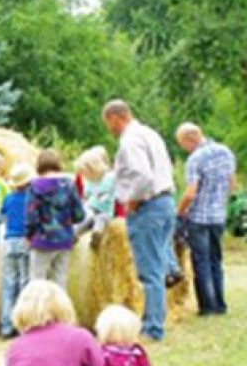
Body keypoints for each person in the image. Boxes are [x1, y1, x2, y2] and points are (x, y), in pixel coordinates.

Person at [103, 100, 176, 341]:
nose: (109, 129)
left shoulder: (130, 139)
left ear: (116, 117)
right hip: (165, 202)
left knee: (150, 271)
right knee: (159, 263)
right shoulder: (150, 134)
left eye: (108, 123)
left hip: (148, 206)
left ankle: (153, 327)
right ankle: (155, 319)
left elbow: (143, 175)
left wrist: (132, 201)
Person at [175, 122, 236, 316]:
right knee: (216, 261)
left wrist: (179, 211)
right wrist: (220, 203)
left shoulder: (195, 159)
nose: (183, 148)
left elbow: (191, 193)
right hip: (218, 216)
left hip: (199, 218)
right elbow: (231, 183)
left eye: (182, 144)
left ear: (189, 140)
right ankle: (220, 304)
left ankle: (207, 306)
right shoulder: (226, 152)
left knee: (201, 262)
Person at [26, 149, 85, 288]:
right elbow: (79, 214)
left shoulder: (34, 186)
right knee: (60, 281)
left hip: (42, 240)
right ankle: (59, 309)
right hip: (64, 240)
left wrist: (29, 234)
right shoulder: (69, 185)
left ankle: (36, 310)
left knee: (36, 282)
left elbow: (31, 216)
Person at [0, 163, 33, 338]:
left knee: (9, 284)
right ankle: (23, 326)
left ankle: (5, 326)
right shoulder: (31, 199)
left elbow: (1, 216)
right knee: (25, 284)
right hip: (25, 241)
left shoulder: (9, 198)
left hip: (9, 241)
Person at [73, 148, 117, 250]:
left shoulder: (111, 177)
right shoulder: (89, 181)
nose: (85, 176)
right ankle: (75, 232)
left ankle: (96, 234)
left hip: (105, 211)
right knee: (88, 216)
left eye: (86, 173)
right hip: (92, 207)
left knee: (101, 219)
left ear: (93, 169)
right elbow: (86, 195)